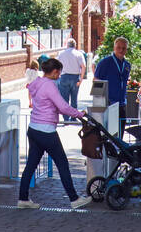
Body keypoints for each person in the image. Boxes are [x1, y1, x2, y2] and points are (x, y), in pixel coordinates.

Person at [17, 57, 92, 210]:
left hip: (33, 128)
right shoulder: (50, 85)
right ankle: (74, 198)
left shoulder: (36, 83)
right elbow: (63, 107)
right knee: (62, 164)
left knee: (31, 165)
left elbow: (50, 104)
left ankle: (23, 198)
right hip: (46, 131)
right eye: (59, 73)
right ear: (55, 72)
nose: (60, 76)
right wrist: (79, 114)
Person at [93, 37, 131, 125]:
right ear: (114, 48)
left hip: (121, 104)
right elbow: (96, 81)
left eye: (124, 48)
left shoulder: (127, 65)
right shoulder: (104, 63)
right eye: (119, 47)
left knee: (120, 134)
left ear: (126, 49)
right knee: (109, 134)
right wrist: (99, 105)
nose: (121, 50)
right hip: (108, 104)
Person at [57, 38, 87, 112]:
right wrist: (81, 79)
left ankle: (66, 117)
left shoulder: (61, 53)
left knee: (64, 99)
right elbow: (83, 66)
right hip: (75, 77)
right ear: (75, 45)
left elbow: (56, 65)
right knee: (74, 99)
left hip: (64, 77)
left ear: (67, 45)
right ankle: (73, 117)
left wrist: (58, 75)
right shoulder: (79, 54)